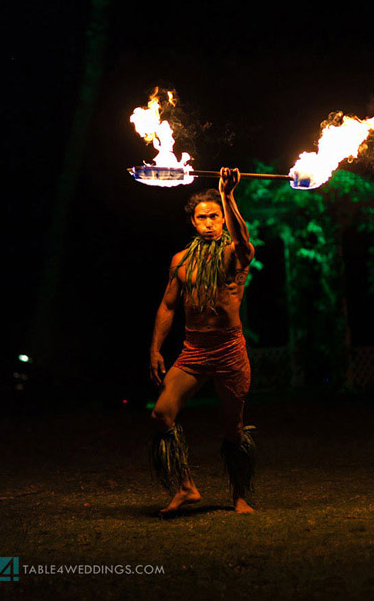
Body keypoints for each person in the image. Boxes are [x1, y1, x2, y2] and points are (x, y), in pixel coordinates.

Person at [148, 167, 257, 516]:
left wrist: (227, 195)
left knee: (233, 428)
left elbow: (242, 240)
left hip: (229, 349)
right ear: (193, 222)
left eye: (215, 216)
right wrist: (155, 349)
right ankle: (186, 488)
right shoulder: (181, 261)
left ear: (223, 219)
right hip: (194, 350)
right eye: (202, 217)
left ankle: (240, 496)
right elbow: (167, 306)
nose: (209, 222)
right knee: (161, 414)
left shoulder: (234, 254)